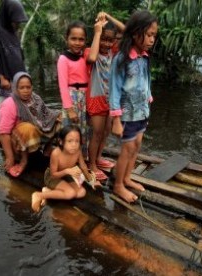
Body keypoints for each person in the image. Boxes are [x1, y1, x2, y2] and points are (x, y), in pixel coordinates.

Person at [109, 10, 158, 203]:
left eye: (154, 35)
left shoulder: (144, 56)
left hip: (142, 110)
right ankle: (118, 185)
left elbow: (146, 79)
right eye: (149, 34)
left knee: (137, 145)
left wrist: (149, 96)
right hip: (127, 113)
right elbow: (114, 90)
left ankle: (127, 178)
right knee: (127, 149)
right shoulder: (121, 59)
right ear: (136, 33)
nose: (152, 39)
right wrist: (115, 120)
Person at [0, 72, 61, 177]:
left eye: (28, 87)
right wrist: (10, 158)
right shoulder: (9, 104)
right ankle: (23, 160)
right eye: (22, 88)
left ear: (32, 87)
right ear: (15, 88)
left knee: (59, 118)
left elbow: (47, 115)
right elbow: (4, 133)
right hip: (17, 143)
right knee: (27, 128)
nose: (26, 91)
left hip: (34, 136)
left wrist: (58, 116)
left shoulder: (35, 99)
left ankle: (47, 149)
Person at [86, 12, 125, 181]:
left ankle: (99, 158)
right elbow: (92, 57)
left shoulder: (113, 52)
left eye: (111, 40)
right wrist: (97, 32)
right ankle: (91, 164)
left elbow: (126, 31)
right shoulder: (91, 50)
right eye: (104, 39)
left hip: (109, 100)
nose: (107, 43)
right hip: (95, 98)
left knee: (106, 132)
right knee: (97, 133)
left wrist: (108, 17)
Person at [31, 125, 101, 212]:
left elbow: (83, 166)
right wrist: (67, 171)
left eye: (77, 141)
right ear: (61, 142)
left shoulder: (78, 151)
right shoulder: (56, 153)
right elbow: (53, 174)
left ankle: (48, 191)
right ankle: (39, 195)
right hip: (52, 177)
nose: (74, 145)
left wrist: (91, 181)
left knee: (81, 192)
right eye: (70, 141)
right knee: (70, 193)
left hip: (66, 176)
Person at [0, 0, 28, 146]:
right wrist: (2, 77)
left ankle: (15, 128)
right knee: (4, 104)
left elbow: (17, 53)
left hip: (18, 74)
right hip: (5, 75)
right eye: (14, 21)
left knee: (19, 103)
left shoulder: (12, 31)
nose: (17, 24)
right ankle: (0, 132)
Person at [57, 21, 90, 157]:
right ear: (67, 39)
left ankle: (81, 158)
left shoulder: (86, 56)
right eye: (73, 38)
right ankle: (67, 159)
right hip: (72, 98)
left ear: (85, 40)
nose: (77, 42)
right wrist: (70, 110)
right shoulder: (63, 59)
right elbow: (63, 86)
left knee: (84, 131)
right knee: (71, 133)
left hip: (85, 98)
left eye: (81, 39)